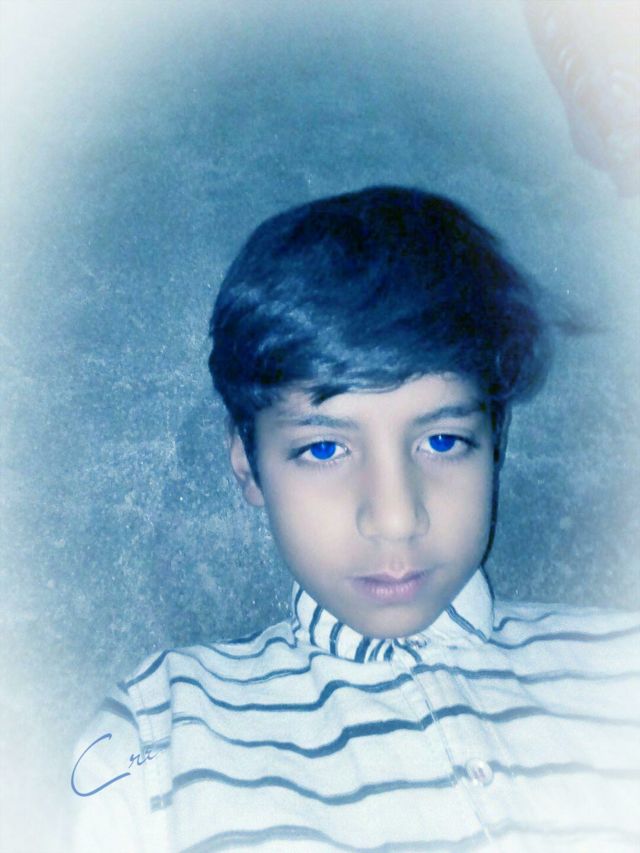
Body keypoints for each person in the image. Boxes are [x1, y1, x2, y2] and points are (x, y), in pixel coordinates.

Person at [71, 187, 640, 852]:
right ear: (248, 464)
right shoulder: (158, 731)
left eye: (443, 441)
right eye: (323, 449)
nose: (395, 519)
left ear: (496, 443)